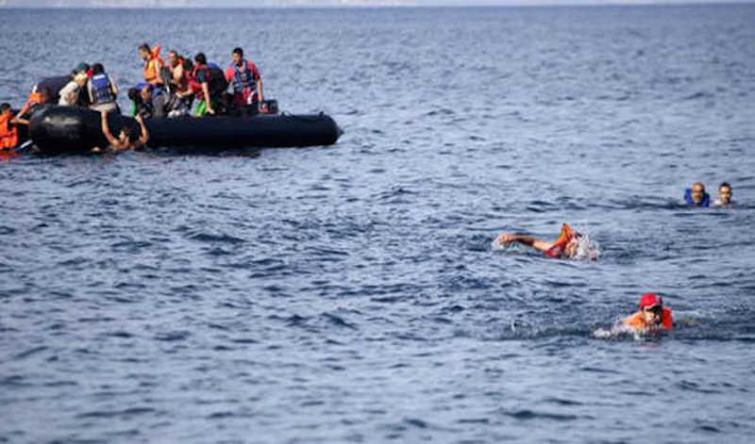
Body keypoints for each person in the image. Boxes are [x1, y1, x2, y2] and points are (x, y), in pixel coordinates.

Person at [495, 223, 586, 259]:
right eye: (571, 243)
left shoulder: (584, 256)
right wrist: (515, 237)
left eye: (575, 245)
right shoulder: (556, 248)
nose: (571, 246)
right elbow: (533, 242)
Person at [224, 47, 263, 112]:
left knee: (252, 103)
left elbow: (258, 80)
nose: (234, 59)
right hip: (239, 97)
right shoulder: (230, 69)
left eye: (236, 57)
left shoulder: (250, 65)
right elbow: (225, 84)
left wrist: (260, 96)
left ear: (241, 56)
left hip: (252, 95)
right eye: (233, 57)